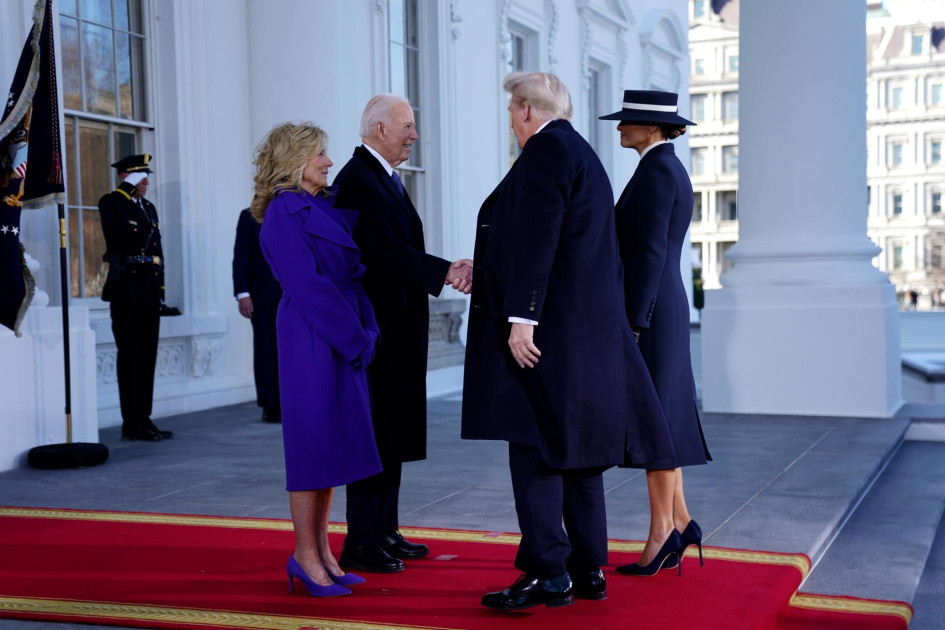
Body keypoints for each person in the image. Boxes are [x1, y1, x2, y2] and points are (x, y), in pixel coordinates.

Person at [462, 72, 673, 611]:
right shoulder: (581, 153)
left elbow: (538, 240)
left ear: (528, 111)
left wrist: (521, 318)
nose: (511, 121)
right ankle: (587, 571)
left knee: (533, 451)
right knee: (579, 459)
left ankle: (548, 573)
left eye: (512, 111)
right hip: (585, 339)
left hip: (547, 337)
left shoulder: (545, 152)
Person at [333, 94, 473, 574]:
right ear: (378, 129)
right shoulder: (357, 180)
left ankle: (384, 530)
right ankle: (361, 540)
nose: (414, 135)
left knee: (391, 432)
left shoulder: (384, 177)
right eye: (407, 126)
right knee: (374, 433)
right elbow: (379, 250)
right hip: (377, 331)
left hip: (398, 324)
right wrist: (445, 270)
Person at [253, 122, 383, 598]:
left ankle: (324, 554)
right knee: (311, 449)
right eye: (320, 155)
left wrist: (364, 328)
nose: (330, 162)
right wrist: (355, 336)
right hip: (312, 335)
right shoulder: (283, 213)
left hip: (337, 330)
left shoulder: (312, 205)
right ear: (295, 162)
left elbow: (349, 276)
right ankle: (305, 558)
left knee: (329, 448)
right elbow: (307, 286)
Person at [600, 90, 712, 576]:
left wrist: (634, 320)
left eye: (629, 121)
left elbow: (647, 253)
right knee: (663, 417)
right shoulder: (661, 168)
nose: (620, 127)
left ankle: (662, 534)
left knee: (656, 423)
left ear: (652, 128)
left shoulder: (658, 171)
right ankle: (681, 522)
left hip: (654, 310)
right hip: (662, 304)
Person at [99, 153, 180, 442]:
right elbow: (115, 227)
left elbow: (157, 255)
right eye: (139, 176)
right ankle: (131, 422)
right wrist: (127, 189)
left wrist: (160, 293)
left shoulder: (148, 208)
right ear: (125, 177)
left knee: (146, 359)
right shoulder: (112, 202)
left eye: (146, 176)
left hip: (147, 293)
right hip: (127, 293)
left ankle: (144, 418)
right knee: (130, 358)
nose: (146, 181)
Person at [232, 207, 282, 423]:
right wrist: (242, 293)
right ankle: (269, 404)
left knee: (286, 352)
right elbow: (241, 256)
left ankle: (285, 401)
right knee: (265, 351)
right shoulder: (250, 215)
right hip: (261, 297)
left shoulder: (289, 214)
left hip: (289, 296)